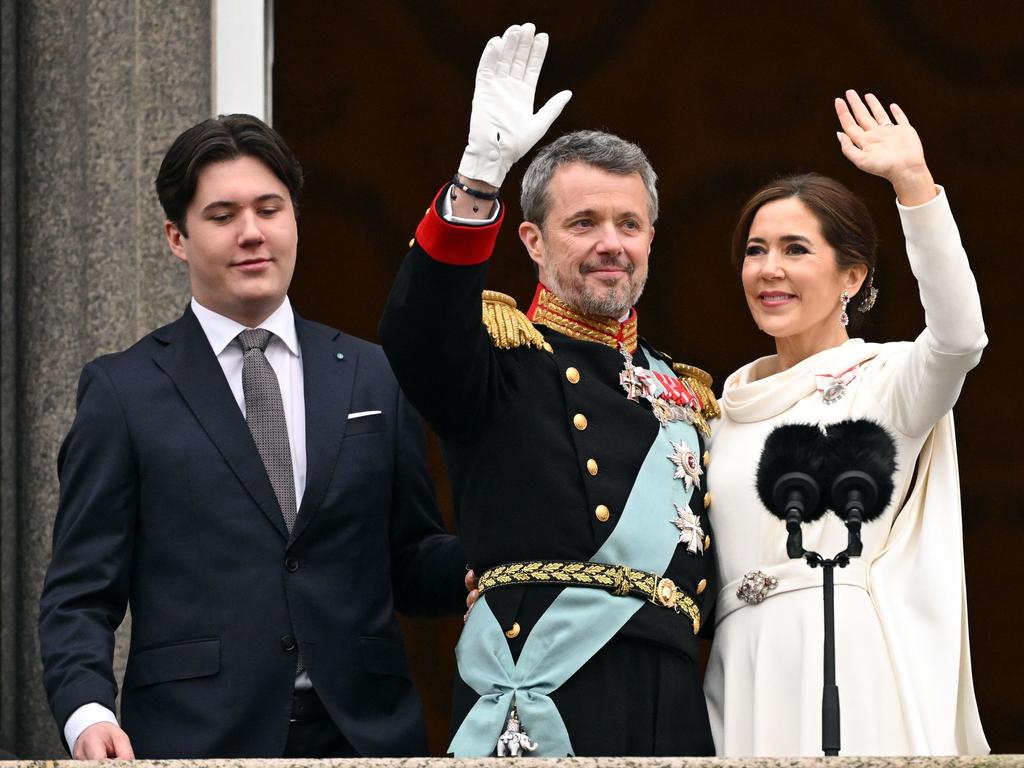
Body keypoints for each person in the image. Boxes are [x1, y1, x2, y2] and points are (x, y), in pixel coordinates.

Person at [38, 114, 468, 759]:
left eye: (270, 209)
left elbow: (408, 560)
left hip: (362, 734)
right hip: (195, 736)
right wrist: (87, 713)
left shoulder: (375, 375)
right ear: (176, 237)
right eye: (222, 215)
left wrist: (496, 554)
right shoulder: (122, 391)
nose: (251, 233)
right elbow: (80, 592)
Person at [380, 24, 719, 756]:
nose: (611, 243)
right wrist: (477, 179)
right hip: (546, 689)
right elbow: (418, 331)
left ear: (652, 239)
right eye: (584, 222)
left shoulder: (686, 395)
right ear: (533, 242)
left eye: (630, 224)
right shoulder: (501, 358)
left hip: (670, 700)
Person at [703, 91, 989, 755]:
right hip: (737, 664)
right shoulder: (718, 409)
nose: (769, 269)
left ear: (851, 276)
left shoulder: (889, 383)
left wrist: (914, 186)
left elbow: (960, 338)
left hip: (842, 657)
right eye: (755, 250)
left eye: (796, 249)